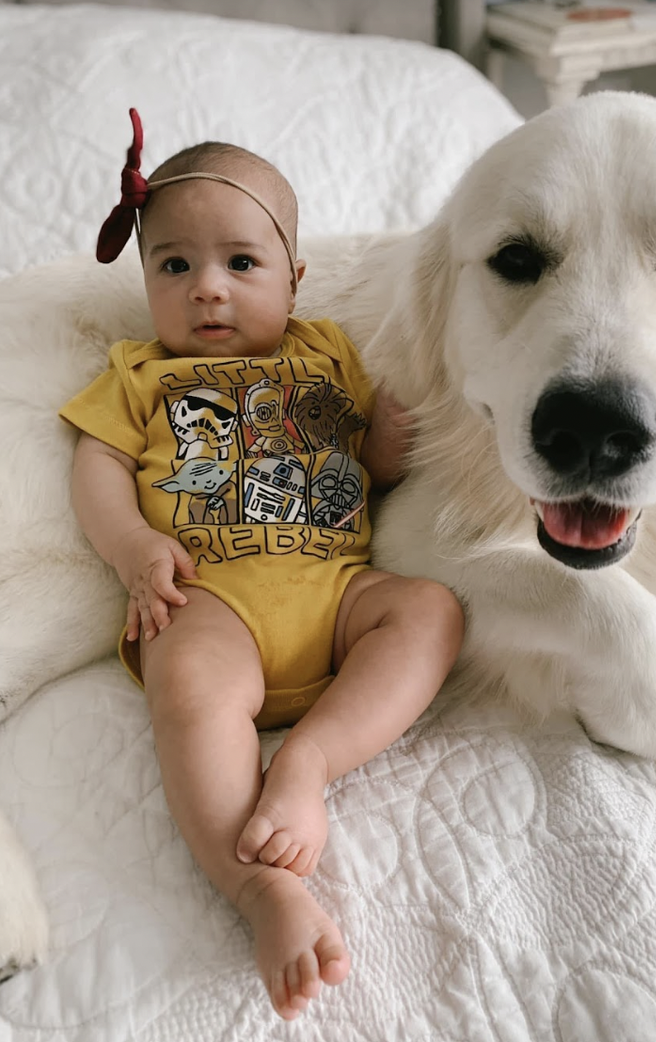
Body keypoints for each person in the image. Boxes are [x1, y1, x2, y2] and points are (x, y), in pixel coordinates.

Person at [60, 110, 465, 1021]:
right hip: (214, 600)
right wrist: (132, 547)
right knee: (188, 687)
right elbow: (97, 467)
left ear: (294, 278)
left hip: (337, 594)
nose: (208, 289)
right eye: (175, 265)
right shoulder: (137, 375)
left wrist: (399, 420)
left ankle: (309, 763)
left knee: (433, 609)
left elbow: (377, 463)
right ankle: (261, 892)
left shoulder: (328, 355)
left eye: (240, 264)